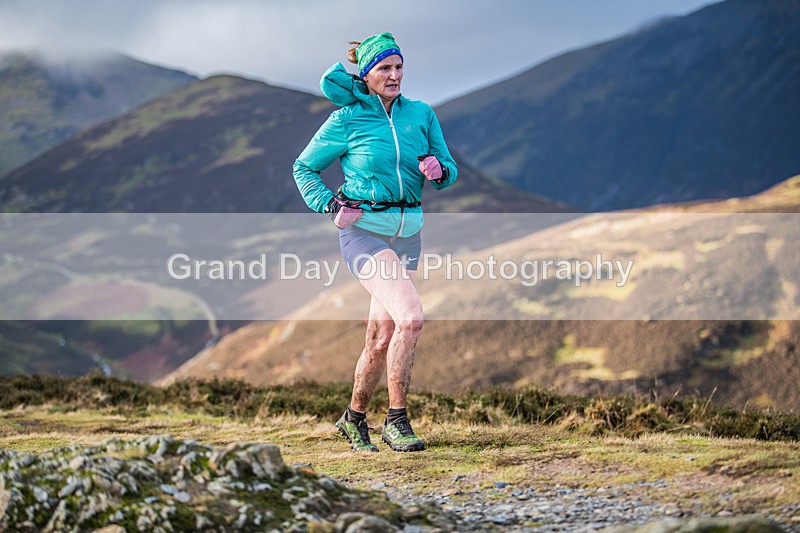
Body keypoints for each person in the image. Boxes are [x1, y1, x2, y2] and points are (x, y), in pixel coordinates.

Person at [292, 33, 458, 452]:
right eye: (385, 68)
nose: (395, 75)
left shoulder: (421, 114)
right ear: (366, 75)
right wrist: (330, 205)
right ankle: (397, 422)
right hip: (364, 233)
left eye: (399, 67)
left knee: (381, 338)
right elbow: (303, 167)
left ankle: (353, 418)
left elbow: (448, 169)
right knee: (412, 318)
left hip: (408, 234)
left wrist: (439, 171)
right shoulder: (347, 119)